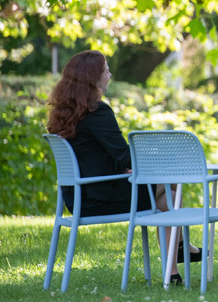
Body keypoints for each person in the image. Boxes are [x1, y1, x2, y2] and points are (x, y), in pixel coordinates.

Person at [46, 50, 200, 282]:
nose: (109, 73)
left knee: (165, 196)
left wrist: (125, 168)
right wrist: (155, 162)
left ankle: (175, 269)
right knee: (170, 182)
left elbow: (99, 157)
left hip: (77, 198)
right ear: (93, 77)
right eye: (105, 69)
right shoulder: (97, 111)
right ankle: (180, 249)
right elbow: (126, 156)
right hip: (101, 197)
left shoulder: (67, 114)